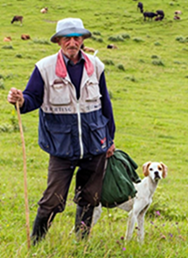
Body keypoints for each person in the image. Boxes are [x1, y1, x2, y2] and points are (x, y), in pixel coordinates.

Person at [7, 17, 115, 245]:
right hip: (60, 146)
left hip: (95, 143)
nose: (72, 42)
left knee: (89, 198)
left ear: (83, 40)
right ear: (58, 41)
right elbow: (32, 98)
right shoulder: (44, 68)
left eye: (76, 37)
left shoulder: (96, 66)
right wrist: (19, 100)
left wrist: (110, 139)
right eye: (67, 38)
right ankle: (36, 244)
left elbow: (106, 104)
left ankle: (81, 244)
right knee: (52, 199)